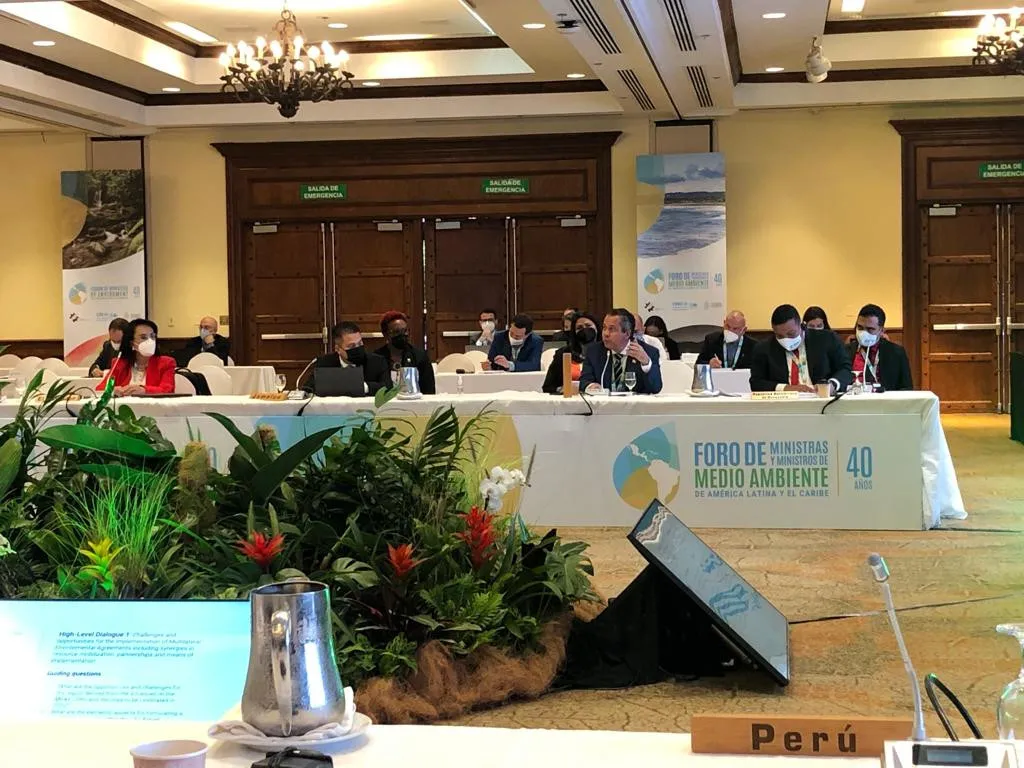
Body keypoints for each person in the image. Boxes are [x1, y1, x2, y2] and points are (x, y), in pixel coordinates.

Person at [750, 304, 852, 393]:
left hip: (820, 399)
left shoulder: (826, 339)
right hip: (783, 403)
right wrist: (785, 388)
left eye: (791, 334)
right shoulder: (764, 348)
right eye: (780, 336)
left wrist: (832, 385)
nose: (786, 339)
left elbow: (845, 369)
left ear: (801, 325)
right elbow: (756, 382)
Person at [579, 309, 663, 395]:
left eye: (611, 329)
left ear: (627, 333)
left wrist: (646, 363)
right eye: (604, 328)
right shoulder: (594, 351)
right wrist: (591, 386)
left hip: (635, 403)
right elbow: (584, 381)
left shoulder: (648, 352)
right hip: (603, 403)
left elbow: (655, 388)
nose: (606, 334)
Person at [96, 318, 176, 395]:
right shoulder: (119, 364)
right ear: (132, 343)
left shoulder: (166, 363)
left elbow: (167, 390)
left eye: (152, 336)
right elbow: (100, 388)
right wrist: (112, 390)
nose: (150, 341)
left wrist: (144, 390)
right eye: (143, 337)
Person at [311, 321, 391, 396]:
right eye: (351, 346)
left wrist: (362, 387)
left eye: (360, 343)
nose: (357, 348)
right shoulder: (324, 363)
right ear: (338, 349)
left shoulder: (377, 361)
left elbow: (388, 388)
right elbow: (309, 388)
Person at [847, 304, 912, 391]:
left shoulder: (896, 353)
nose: (863, 333)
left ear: (881, 331)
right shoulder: (845, 351)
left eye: (870, 329)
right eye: (860, 327)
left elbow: (906, 388)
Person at [373, 310, 436, 395]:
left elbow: (429, 390)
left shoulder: (420, 356)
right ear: (385, 334)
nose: (402, 335)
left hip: (414, 401)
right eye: (396, 332)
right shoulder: (376, 357)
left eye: (405, 331)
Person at [542, 312, 599, 394]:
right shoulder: (563, 354)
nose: (584, 329)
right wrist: (561, 389)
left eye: (588, 325)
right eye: (579, 327)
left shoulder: (606, 352)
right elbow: (548, 387)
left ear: (597, 328)